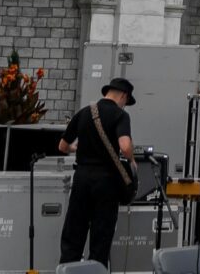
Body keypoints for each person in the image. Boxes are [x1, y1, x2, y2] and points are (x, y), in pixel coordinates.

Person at [58, 77, 139, 266]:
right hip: (106, 182)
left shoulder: (84, 112)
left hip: (81, 179)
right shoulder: (120, 115)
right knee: (100, 238)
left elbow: (62, 145)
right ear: (124, 96)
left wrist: (75, 149)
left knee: (73, 234)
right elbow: (125, 146)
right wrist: (132, 160)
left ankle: (66, 270)